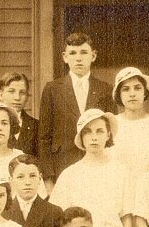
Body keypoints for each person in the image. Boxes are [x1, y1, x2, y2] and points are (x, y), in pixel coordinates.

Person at [50, 108, 134, 227]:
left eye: (99, 131)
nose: (94, 137)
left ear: (108, 134)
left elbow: (127, 217)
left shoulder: (121, 171)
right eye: (88, 132)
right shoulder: (70, 174)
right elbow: (59, 219)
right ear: (81, 137)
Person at [37, 32, 115, 185]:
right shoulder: (52, 89)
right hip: (62, 165)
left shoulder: (105, 89)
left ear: (93, 56)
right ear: (65, 57)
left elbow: (110, 136)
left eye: (84, 52)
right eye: (73, 53)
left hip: (97, 166)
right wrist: (48, 178)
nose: (78, 58)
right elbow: (44, 137)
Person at [3, 154, 65, 227]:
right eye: (20, 177)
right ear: (11, 180)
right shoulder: (3, 213)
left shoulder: (54, 212)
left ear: (40, 178)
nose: (27, 182)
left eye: (32, 176)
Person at [111, 66, 149, 179]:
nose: (132, 94)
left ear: (145, 93)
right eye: (126, 89)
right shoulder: (111, 124)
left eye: (137, 88)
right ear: (119, 95)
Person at [0, 71, 39, 157]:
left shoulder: (37, 127)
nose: (17, 97)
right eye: (11, 91)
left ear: (27, 96)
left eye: (22, 92)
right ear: (1, 95)